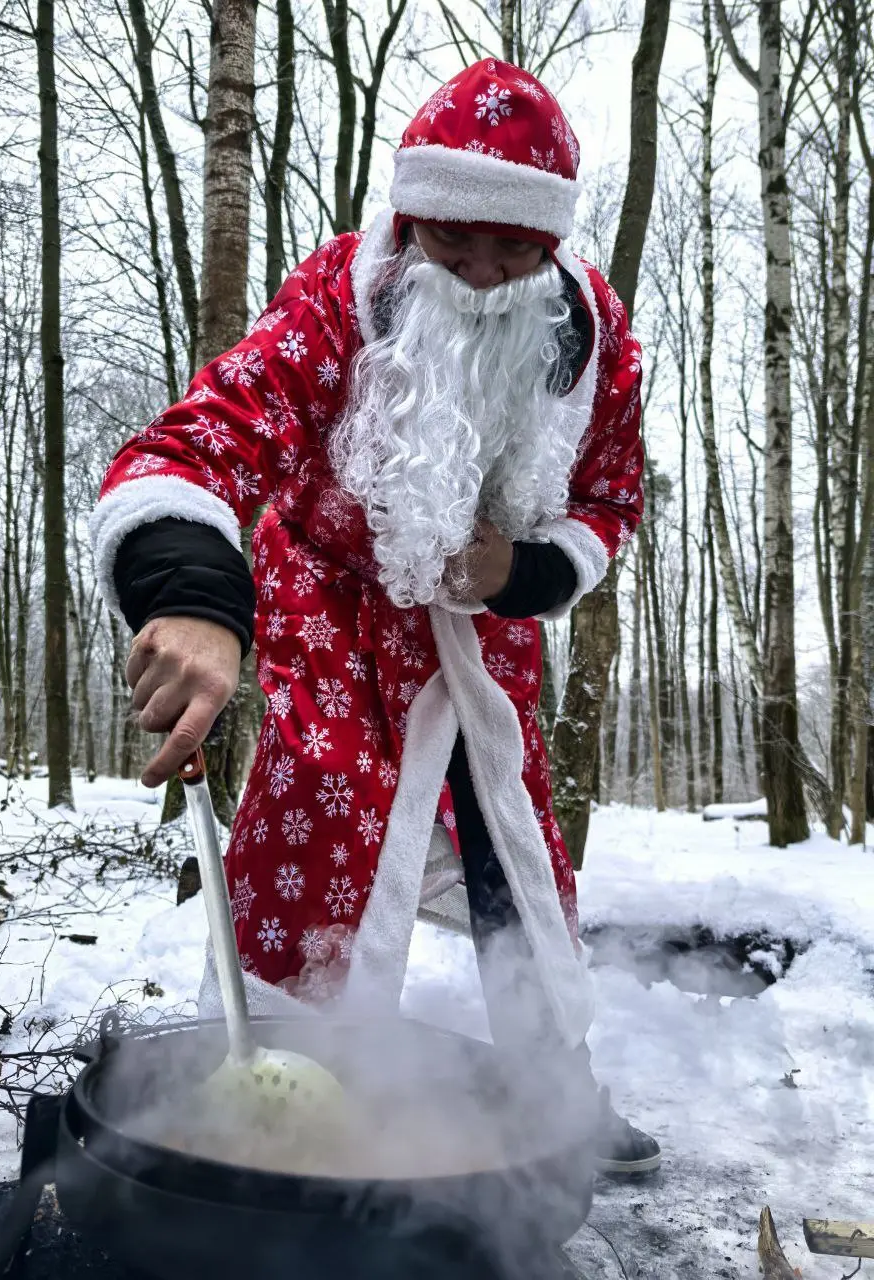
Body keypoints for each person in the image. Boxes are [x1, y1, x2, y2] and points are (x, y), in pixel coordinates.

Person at [91, 59, 659, 1176]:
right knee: (321, 823)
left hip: (485, 636)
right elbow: (194, 446)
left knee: (518, 855)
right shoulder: (335, 303)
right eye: (456, 245)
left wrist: (527, 567)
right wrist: (197, 600)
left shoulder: (590, 344)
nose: (486, 276)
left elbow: (612, 498)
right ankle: (271, 1096)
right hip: (335, 612)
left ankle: (559, 1094)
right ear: (411, 221)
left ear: (552, 249)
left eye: (515, 251)